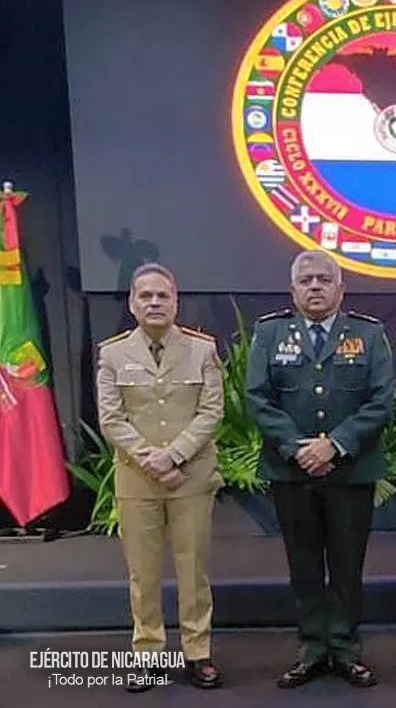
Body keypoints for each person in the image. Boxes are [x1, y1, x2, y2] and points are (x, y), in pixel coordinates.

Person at [245, 250, 394, 689]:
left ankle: (345, 650)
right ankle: (312, 649)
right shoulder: (270, 333)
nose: (315, 286)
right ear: (292, 290)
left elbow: (381, 400)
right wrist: (297, 447)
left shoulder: (368, 334)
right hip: (291, 472)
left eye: (324, 279)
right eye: (306, 279)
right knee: (304, 566)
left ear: (340, 289)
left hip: (350, 471)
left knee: (347, 566)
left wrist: (335, 444)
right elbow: (257, 398)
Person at [96, 262, 224, 692]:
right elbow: (111, 418)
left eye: (162, 296)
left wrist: (173, 456)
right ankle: (148, 653)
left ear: (175, 302)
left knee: (194, 570)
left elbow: (211, 412)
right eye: (145, 296)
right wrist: (149, 458)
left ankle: (198, 652)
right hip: (138, 480)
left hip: (191, 476)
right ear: (132, 304)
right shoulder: (113, 354)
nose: (154, 303)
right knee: (142, 574)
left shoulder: (202, 350)